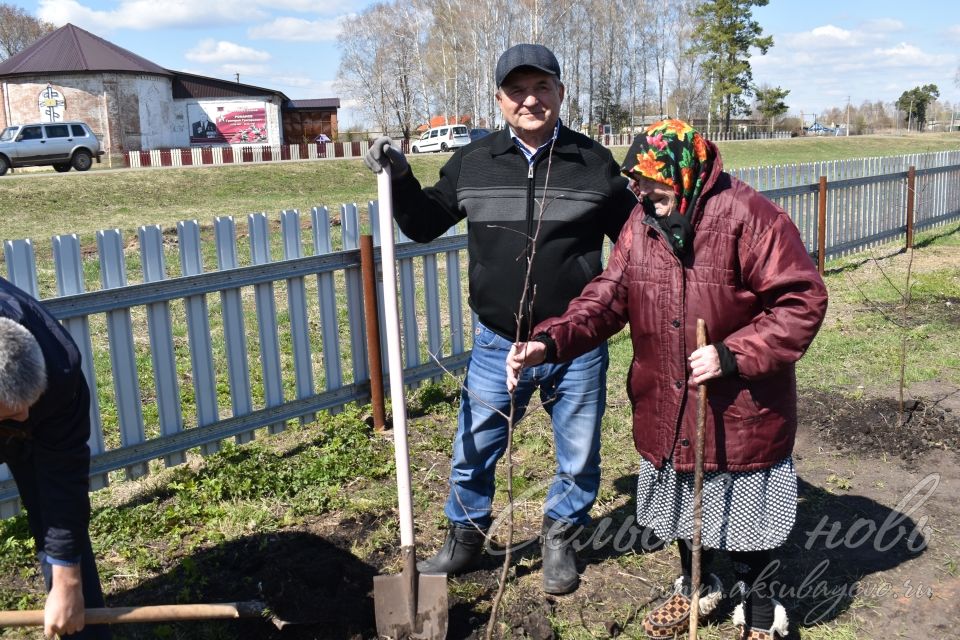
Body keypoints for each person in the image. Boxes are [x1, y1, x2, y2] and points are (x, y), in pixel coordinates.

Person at [506, 119, 828, 639]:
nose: (640, 193)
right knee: (681, 506)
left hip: (740, 405)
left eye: (652, 186)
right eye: (636, 183)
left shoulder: (749, 217)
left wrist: (733, 354)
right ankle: (699, 589)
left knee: (750, 519)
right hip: (666, 400)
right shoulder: (642, 221)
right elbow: (610, 294)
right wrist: (552, 339)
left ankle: (763, 612)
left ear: (684, 175)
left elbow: (802, 300)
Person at [363, 43, 636, 594]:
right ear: (499, 99)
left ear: (561, 93)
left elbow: (633, 244)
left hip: (573, 343)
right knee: (475, 445)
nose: (530, 100)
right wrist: (397, 176)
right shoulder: (475, 161)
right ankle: (464, 541)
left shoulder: (593, 164)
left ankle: (560, 538)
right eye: (518, 90)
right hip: (497, 340)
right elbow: (423, 223)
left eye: (542, 88)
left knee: (578, 453)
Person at [0, 276, 110, 639]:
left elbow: (62, 481)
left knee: (59, 530)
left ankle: (80, 623)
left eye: (26, 407)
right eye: (11, 413)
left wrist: (67, 582)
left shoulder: (60, 371)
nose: (23, 421)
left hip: (54, 404)